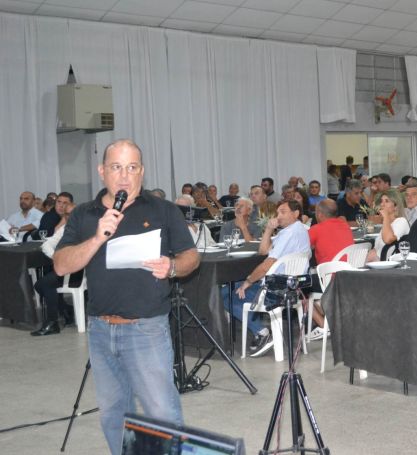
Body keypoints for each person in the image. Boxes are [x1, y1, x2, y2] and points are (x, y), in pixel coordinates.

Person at [53, 139, 199, 455]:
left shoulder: (163, 210)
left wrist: (172, 266)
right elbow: (61, 264)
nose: (124, 176)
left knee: (162, 414)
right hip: (101, 331)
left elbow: (192, 257)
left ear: (141, 172)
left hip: (146, 329)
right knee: (113, 415)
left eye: (132, 167)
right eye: (116, 167)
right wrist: (97, 237)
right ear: (102, 171)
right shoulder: (84, 214)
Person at [223, 199, 310, 356]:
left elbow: (266, 265)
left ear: (296, 214)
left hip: (275, 291)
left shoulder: (288, 233)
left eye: (283, 212)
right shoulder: (298, 229)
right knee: (234, 286)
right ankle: (261, 330)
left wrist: (248, 282)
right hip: (292, 288)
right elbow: (264, 251)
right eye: (278, 212)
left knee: (225, 294)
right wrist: (269, 229)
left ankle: (261, 332)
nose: (278, 216)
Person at [31, 198, 79, 336]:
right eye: (67, 214)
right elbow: (47, 244)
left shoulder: (86, 227)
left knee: (44, 284)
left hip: (80, 270)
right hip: (65, 267)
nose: (70, 217)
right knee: (39, 285)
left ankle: (53, 322)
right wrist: (57, 258)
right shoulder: (65, 228)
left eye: (73, 213)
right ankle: (66, 310)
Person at [367, 190, 409, 262]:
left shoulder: (402, 221)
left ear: (395, 207)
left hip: (388, 264)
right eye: (381, 201)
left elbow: (388, 240)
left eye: (386, 201)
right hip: (376, 262)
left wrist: (386, 217)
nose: (382, 204)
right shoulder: (387, 223)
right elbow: (376, 249)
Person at [308, 199, 354, 265]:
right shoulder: (345, 225)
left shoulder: (316, 229)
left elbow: (302, 247)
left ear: (319, 214)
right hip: (349, 268)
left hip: (329, 271)